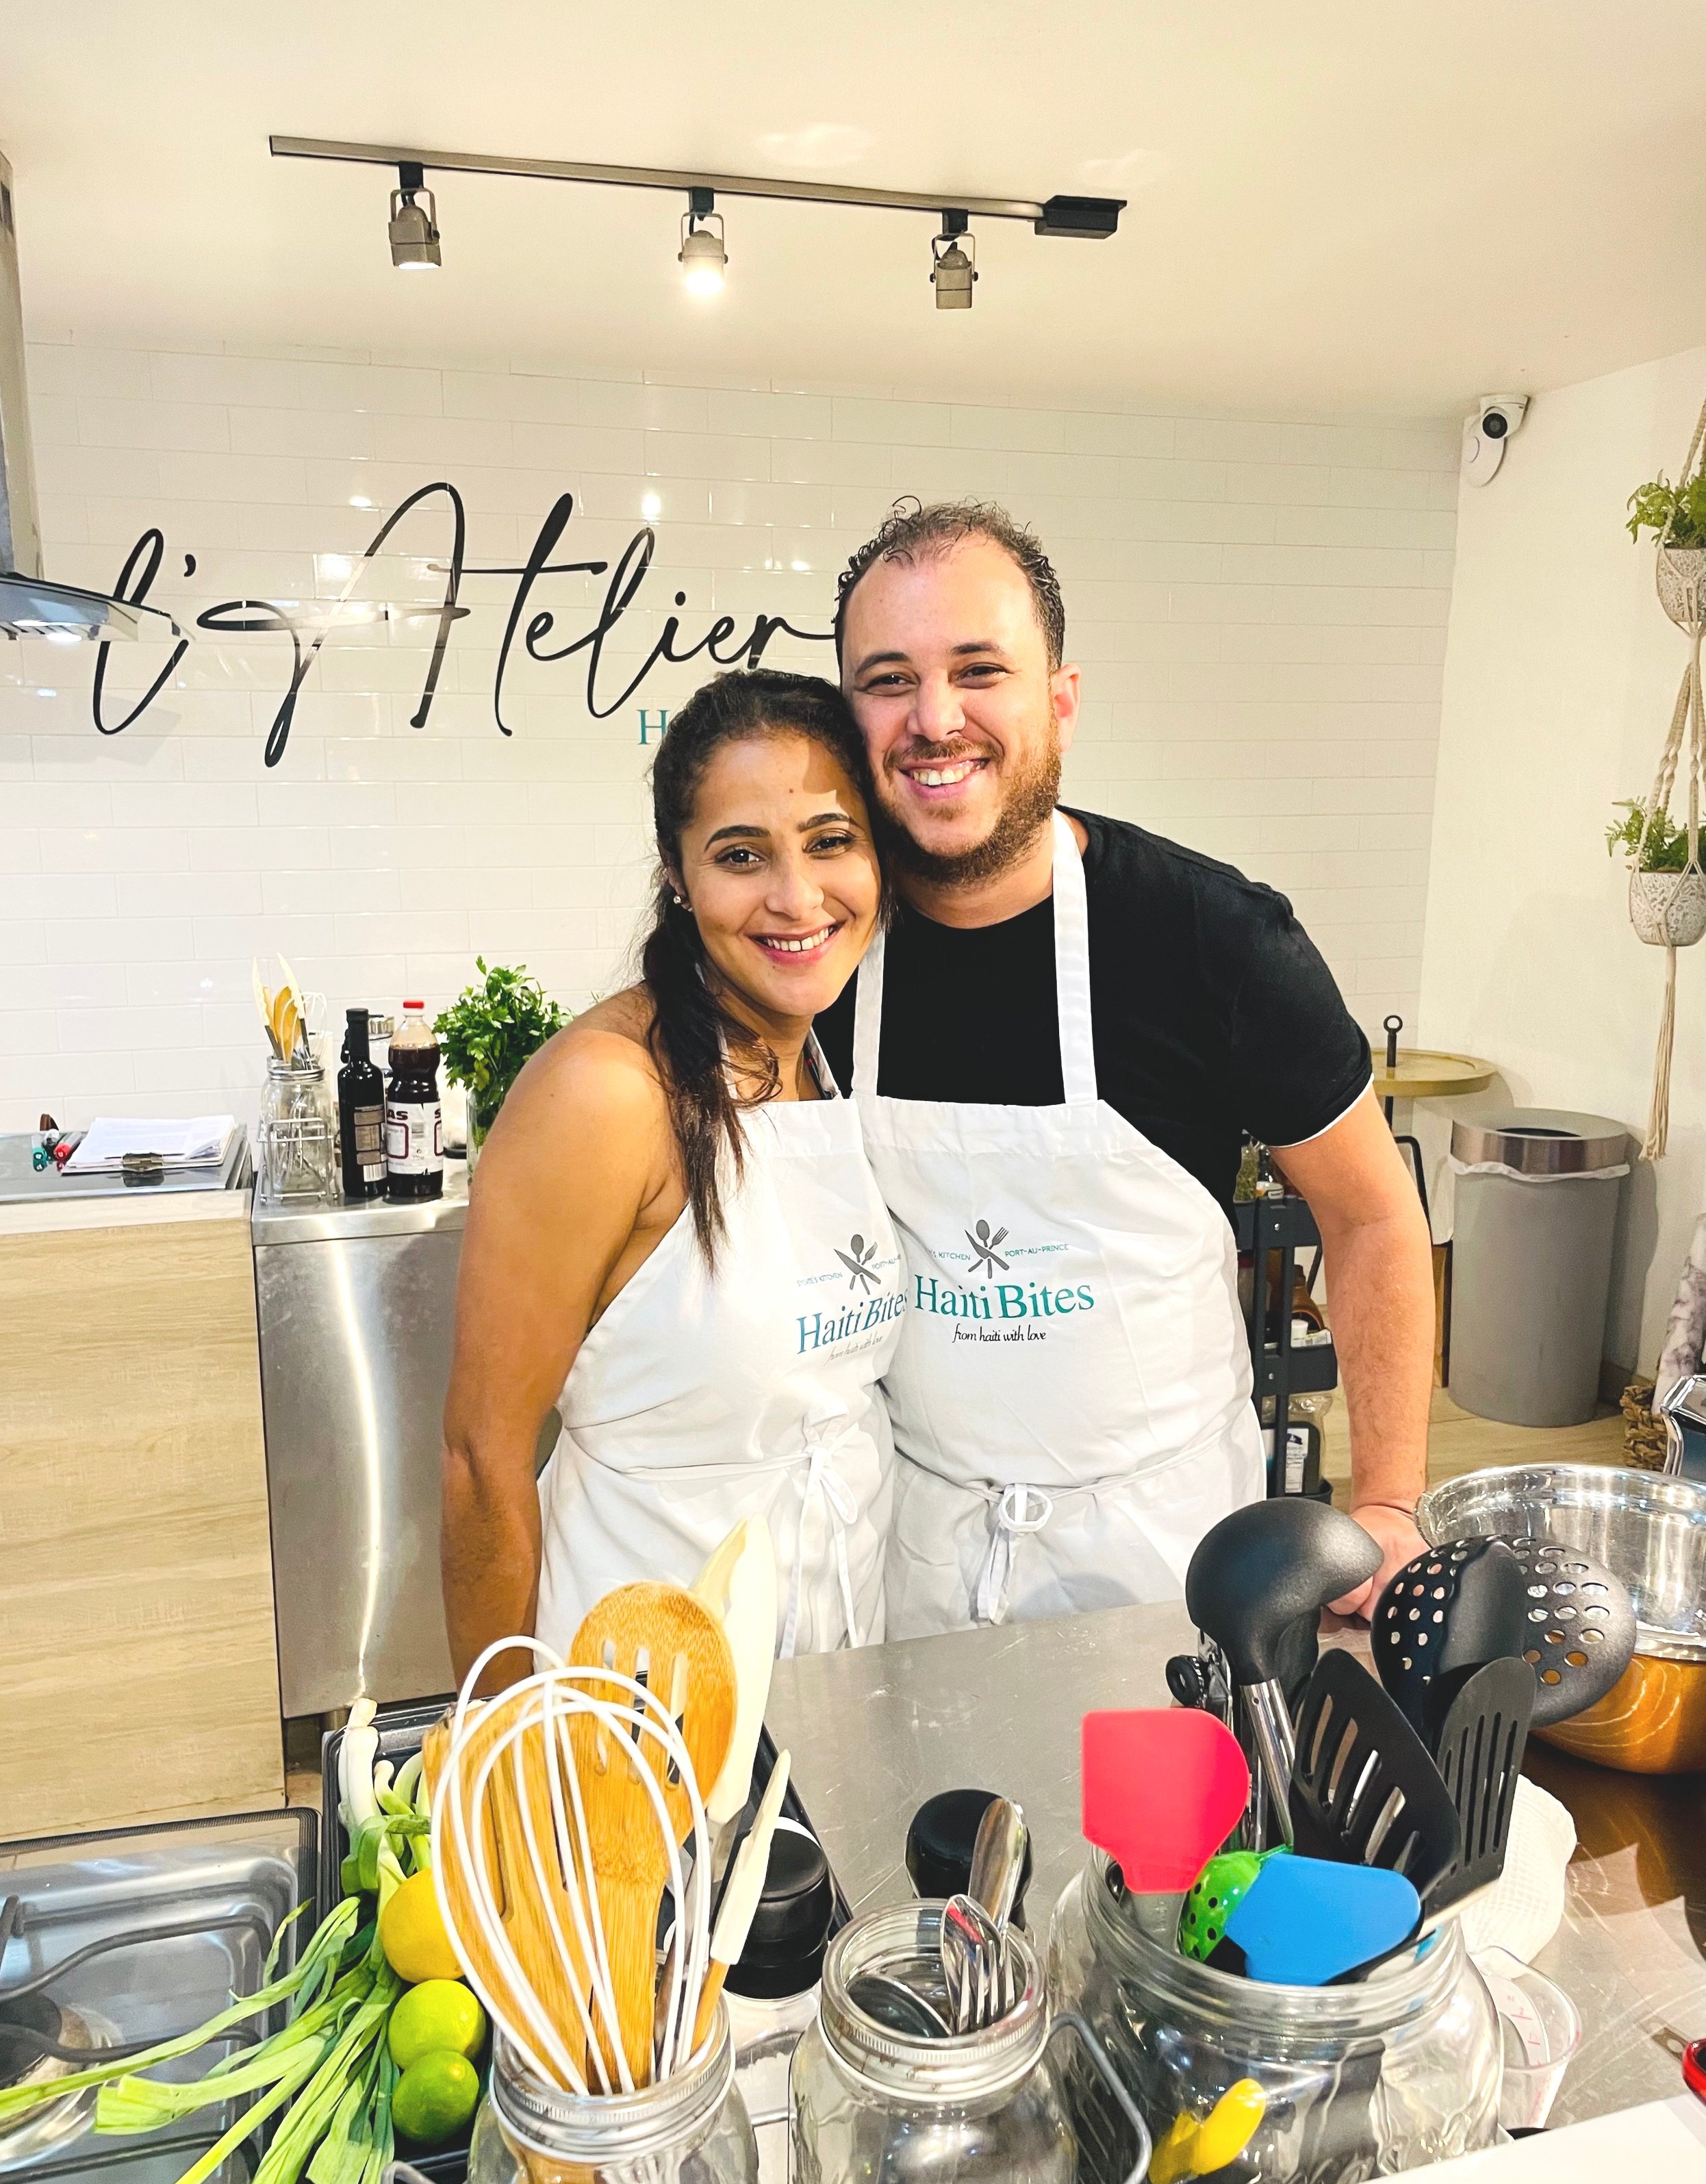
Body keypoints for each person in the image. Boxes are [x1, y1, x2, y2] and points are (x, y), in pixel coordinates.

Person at [813, 498, 1433, 1636]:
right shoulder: (818, 954)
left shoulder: (1212, 937)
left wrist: (1389, 1500)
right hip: (910, 1555)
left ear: (1060, 699)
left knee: (1164, 1824)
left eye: (979, 669)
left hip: (1169, 1565)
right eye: (888, 679)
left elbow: (1373, 1214)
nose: (934, 718)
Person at [441, 670, 905, 1694]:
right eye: (742, 856)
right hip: (632, 1716)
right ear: (679, 877)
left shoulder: (825, 1060)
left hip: (834, 1682)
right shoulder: (607, 1095)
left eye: (831, 840)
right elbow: (482, 1465)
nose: (796, 897)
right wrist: (502, 1748)